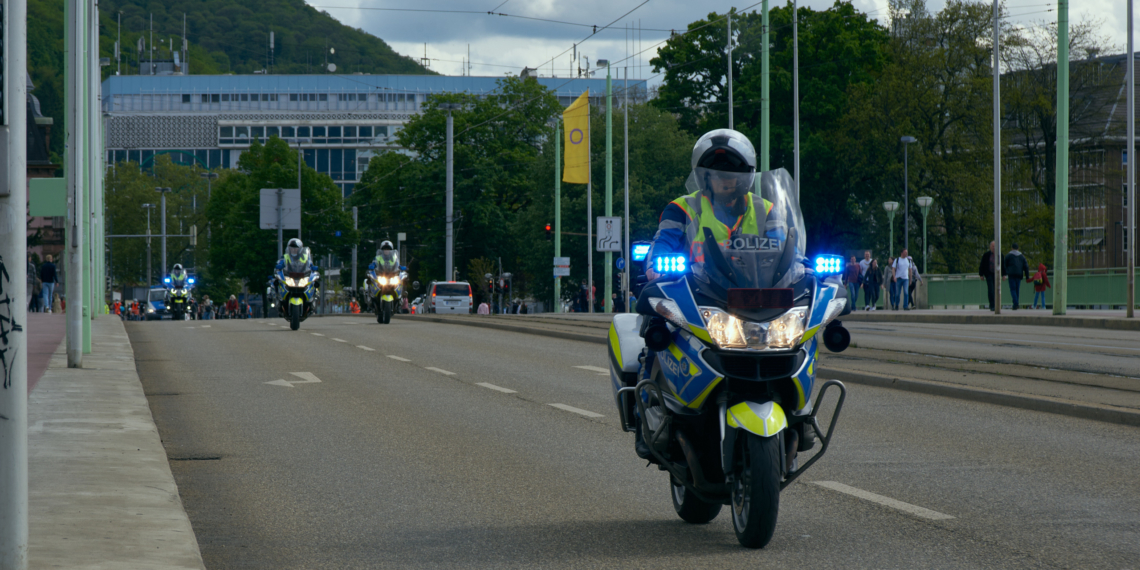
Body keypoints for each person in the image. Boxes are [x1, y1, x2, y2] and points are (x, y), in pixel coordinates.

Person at [644, 128, 781, 282]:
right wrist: (653, 265)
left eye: (730, 174)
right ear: (704, 179)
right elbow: (663, 241)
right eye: (716, 175)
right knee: (650, 300)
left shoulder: (765, 209)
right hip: (696, 291)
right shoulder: (682, 208)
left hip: (755, 293)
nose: (723, 180)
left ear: (744, 177)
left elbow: (786, 247)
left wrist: (803, 265)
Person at [1003, 243, 1029, 310]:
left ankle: (1015, 303)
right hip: (1019, 274)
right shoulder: (1022, 256)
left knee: (1012, 289)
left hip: (1011, 275)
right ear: (1018, 248)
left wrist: (1004, 274)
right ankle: (1016, 303)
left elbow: (1004, 265)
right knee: (1017, 289)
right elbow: (1026, 267)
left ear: (1012, 248)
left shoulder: (1008, 256)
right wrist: (1027, 277)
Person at [978, 241, 997, 311]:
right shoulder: (986, 255)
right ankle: (992, 305)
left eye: (995, 246)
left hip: (996, 274)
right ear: (990, 247)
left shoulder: (999, 255)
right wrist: (981, 274)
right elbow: (982, 264)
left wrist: (1004, 274)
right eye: (992, 246)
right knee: (991, 290)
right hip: (989, 274)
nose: (994, 248)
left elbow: (1002, 265)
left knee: (996, 290)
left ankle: (996, 304)